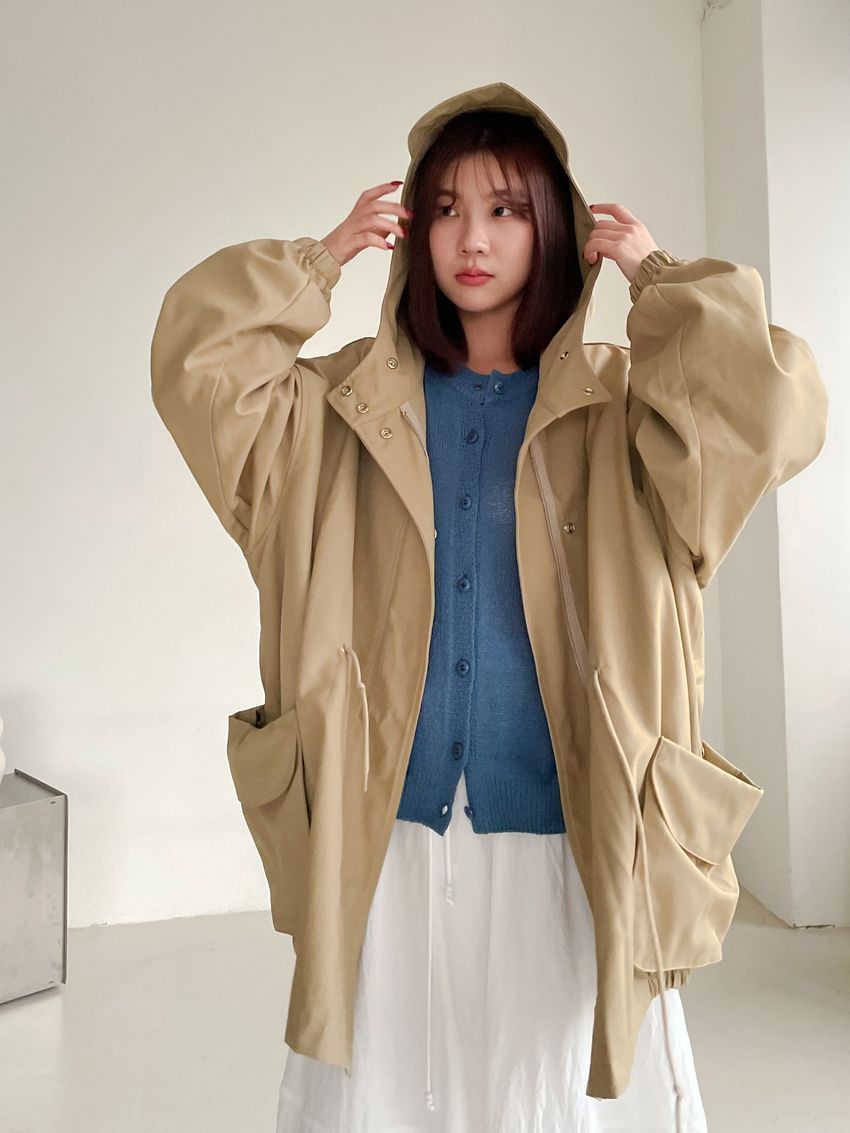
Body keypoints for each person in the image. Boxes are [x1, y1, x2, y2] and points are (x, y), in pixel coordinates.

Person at [150, 82, 827, 1133]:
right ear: (413, 229)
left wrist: (658, 280)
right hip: (389, 822)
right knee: (389, 1079)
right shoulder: (334, 412)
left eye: (506, 209)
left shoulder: (630, 409)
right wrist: (317, 261)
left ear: (553, 226)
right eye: (446, 209)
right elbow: (198, 365)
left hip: (576, 825)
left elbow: (773, 407)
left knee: (554, 1090)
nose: (472, 238)